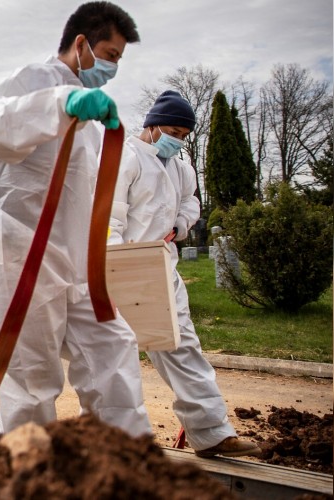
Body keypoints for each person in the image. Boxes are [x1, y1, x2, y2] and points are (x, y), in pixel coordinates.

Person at [0, 1, 152, 437]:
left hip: (70, 258)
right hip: (16, 247)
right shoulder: (35, 79)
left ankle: (124, 454)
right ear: (81, 44)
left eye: (118, 60)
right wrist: (65, 101)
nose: (112, 68)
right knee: (32, 374)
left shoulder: (91, 119)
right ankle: (26, 463)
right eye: (109, 55)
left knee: (112, 346)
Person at [109, 91, 261, 457]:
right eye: (174, 132)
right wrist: (115, 265)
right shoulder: (124, 158)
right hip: (123, 269)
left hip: (163, 268)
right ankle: (116, 443)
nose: (178, 141)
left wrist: (180, 224)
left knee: (183, 346)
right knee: (112, 356)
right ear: (153, 125)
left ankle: (212, 433)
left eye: (184, 135)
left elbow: (190, 201)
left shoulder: (181, 168)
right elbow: (109, 216)